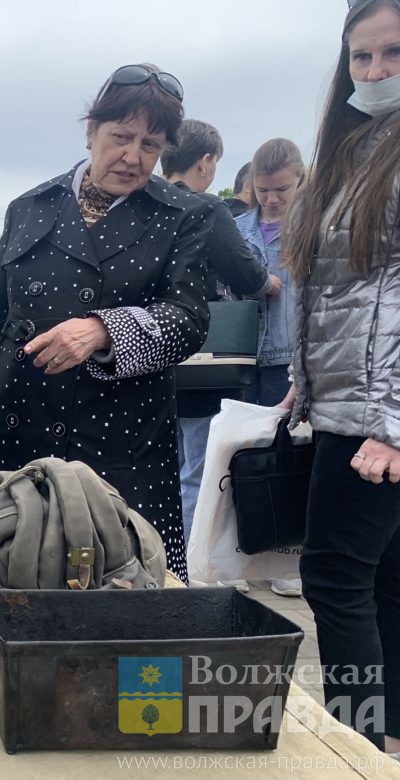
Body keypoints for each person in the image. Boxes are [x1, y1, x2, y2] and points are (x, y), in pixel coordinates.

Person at [0, 64, 212, 582]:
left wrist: (105, 329)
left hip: (120, 443)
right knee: (9, 576)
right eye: (120, 137)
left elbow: (191, 319)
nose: (132, 157)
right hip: (17, 432)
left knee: (120, 593)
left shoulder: (184, 216)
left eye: (150, 145)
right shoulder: (29, 208)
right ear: (91, 132)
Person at [280, 0, 400, 755]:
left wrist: (392, 422)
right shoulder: (355, 149)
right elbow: (337, 293)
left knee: (333, 578)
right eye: (361, 56)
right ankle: (383, 744)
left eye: (393, 53)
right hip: (345, 404)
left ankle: (355, 746)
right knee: (381, 580)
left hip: (377, 417)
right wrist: (307, 382)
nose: (376, 71)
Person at [160, 119, 276, 545]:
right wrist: (271, 283)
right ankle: (187, 561)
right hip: (203, 362)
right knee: (196, 472)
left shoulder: (143, 205)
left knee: (162, 468)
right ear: (206, 162)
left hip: (144, 362)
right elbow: (247, 274)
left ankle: (157, 552)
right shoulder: (207, 209)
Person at [236, 138, 305, 407]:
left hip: (288, 357)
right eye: (262, 189)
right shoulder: (236, 230)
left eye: (282, 189)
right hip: (241, 355)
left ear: (300, 177)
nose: (271, 198)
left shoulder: (314, 227)